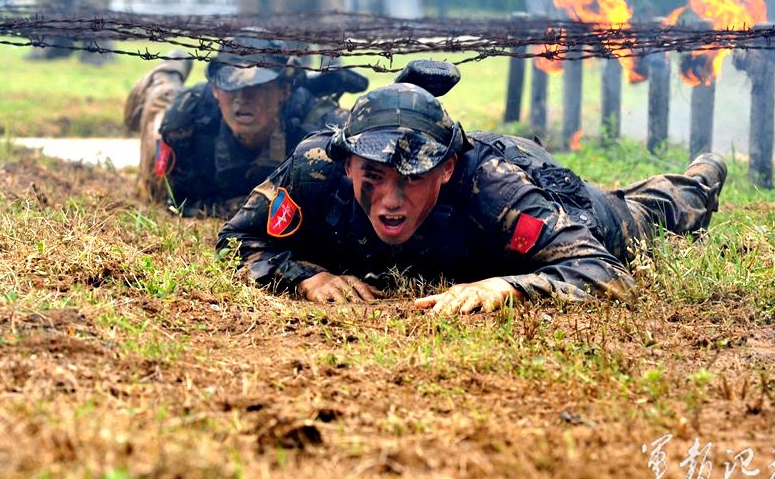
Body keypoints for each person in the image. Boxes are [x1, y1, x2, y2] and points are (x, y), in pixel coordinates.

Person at [217, 81, 728, 314]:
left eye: (411, 177)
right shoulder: (314, 170)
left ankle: (699, 179)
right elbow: (235, 242)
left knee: (643, 214)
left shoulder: (495, 190)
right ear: (348, 163)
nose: (390, 200)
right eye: (373, 175)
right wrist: (305, 277)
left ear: (445, 171)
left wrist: (510, 288)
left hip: (556, 194)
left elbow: (601, 271)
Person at [123, 35, 363, 218]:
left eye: (258, 87)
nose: (242, 98)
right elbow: (174, 201)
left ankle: (309, 82)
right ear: (216, 90)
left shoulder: (315, 125)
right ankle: (172, 67)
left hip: (294, 100)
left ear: (283, 92)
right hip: (185, 106)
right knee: (161, 102)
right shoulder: (186, 121)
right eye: (231, 86)